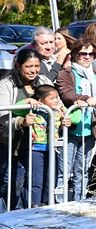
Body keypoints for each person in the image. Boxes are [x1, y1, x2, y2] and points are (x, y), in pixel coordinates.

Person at [0, 50, 52, 211]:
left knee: (33, 181)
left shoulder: (43, 80)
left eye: (37, 66)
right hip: (11, 142)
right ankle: (5, 217)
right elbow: (2, 112)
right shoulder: (7, 84)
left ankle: (25, 215)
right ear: (18, 65)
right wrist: (21, 119)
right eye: (28, 66)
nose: (33, 70)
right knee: (10, 181)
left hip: (37, 144)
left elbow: (55, 101)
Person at [55, 39, 96, 201]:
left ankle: (79, 203)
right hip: (71, 128)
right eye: (83, 53)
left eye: (91, 54)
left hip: (90, 128)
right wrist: (84, 98)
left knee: (82, 171)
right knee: (64, 172)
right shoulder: (66, 73)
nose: (87, 57)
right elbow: (66, 93)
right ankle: (60, 206)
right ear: (75, 54)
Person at [16, 84, 77, 207]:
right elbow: (16, 109)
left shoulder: (59, 110)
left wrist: (68, 118)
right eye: (52, 98)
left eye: (57, 97)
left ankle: (47, 202)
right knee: (36, 179)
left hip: (52, 148)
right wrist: (28, 100)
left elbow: (74, 117)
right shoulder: (34, 109)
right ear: (41, 101)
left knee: (50, 177)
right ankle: (34, 204)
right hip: (36, 149)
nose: (56, 100)